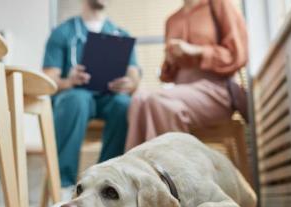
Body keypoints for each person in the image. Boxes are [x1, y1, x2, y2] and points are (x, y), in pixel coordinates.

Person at [43, 0, 140, 194]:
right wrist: (68, 81)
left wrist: (129, 84)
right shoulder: (62, 32)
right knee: (76, 100)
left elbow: (134, 76)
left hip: (109, 98)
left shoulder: (121, 35)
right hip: (74, 98)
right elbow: (48, 80)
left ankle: (107, 182)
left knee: (124, 104)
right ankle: (63, 184)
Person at [125, 0, 248, 150]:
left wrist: (197, 50)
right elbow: (167, 75)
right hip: (181, 91)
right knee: (138, 98)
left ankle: (163, 169)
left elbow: (237, 55)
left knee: (158, 102)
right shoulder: (172, 20)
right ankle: (138, 170)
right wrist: (170, 61)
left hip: (216, 90)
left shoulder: (219, 5)